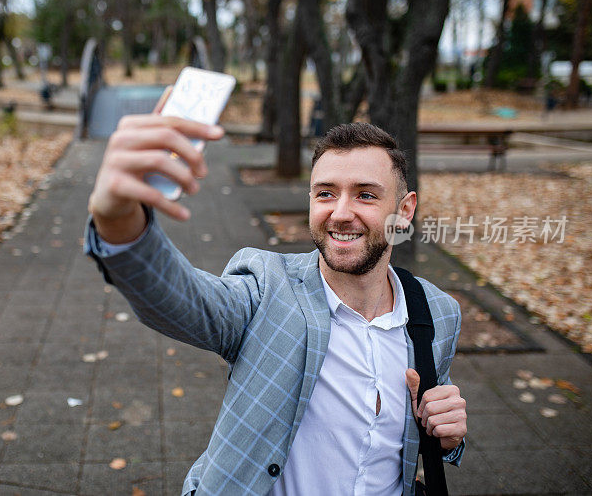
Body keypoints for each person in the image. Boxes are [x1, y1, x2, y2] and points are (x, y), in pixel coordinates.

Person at [84, 98, 467, 495]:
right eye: (325, 193)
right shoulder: (267, 287)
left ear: (404, 211)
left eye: (366, 195)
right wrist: (117, 219)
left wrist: (447, 439)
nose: (340, 213)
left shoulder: (436, 312)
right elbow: (181, 300)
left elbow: (429, 424)